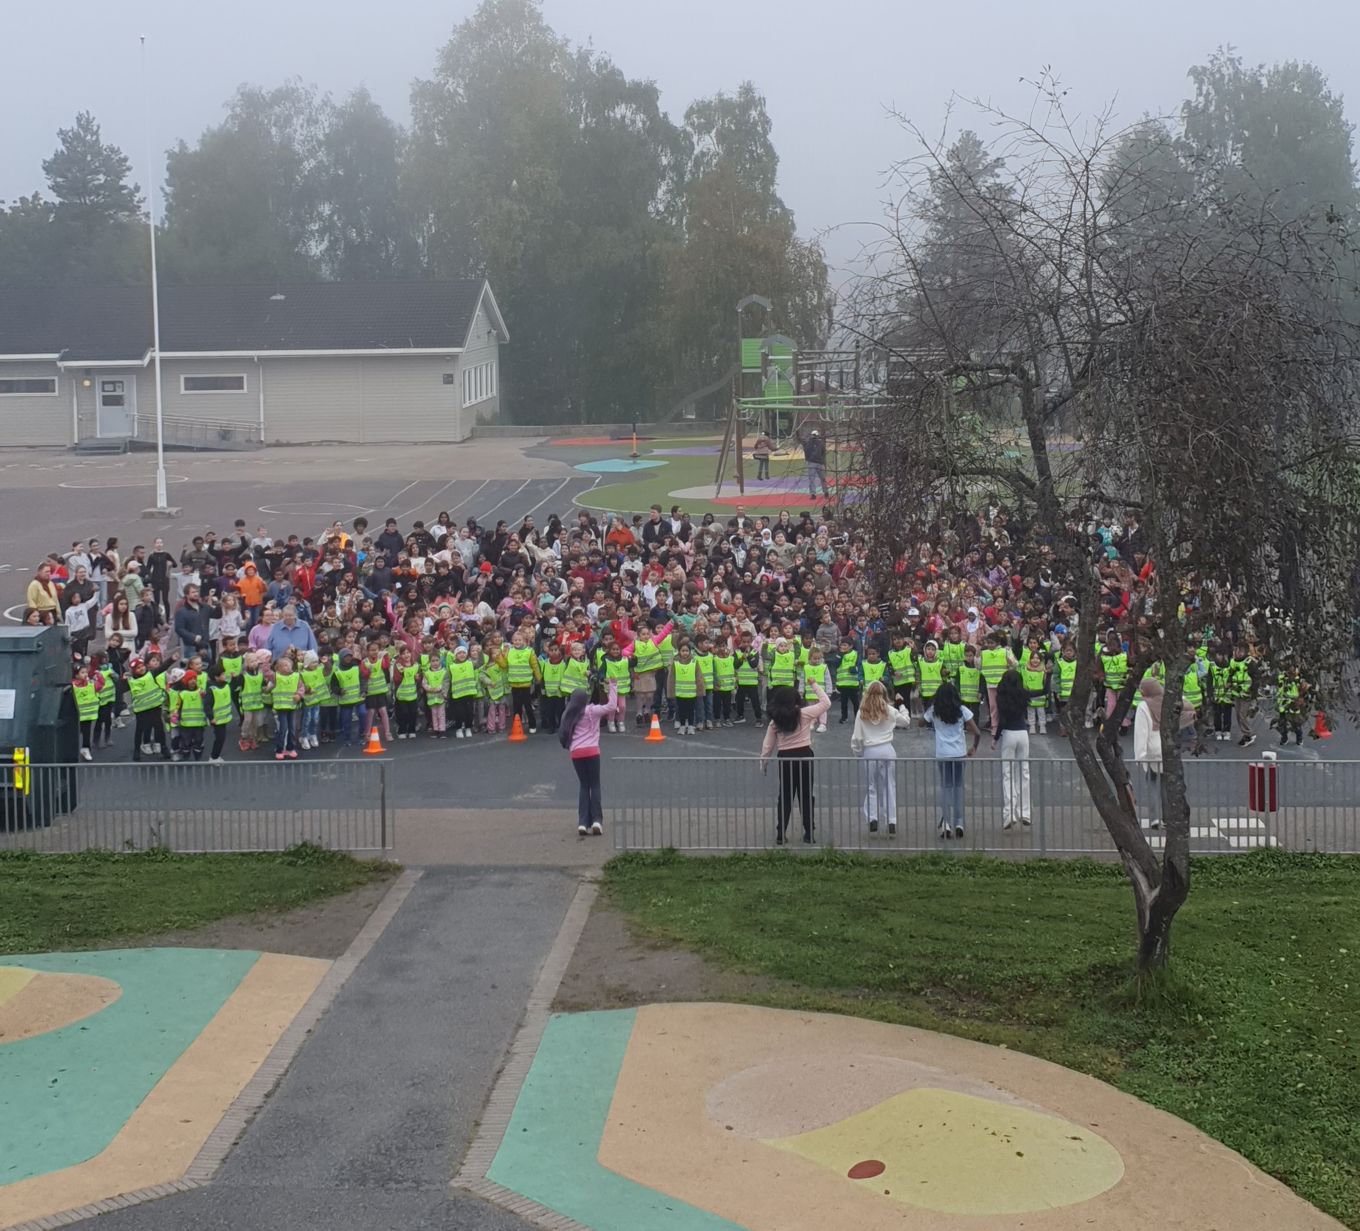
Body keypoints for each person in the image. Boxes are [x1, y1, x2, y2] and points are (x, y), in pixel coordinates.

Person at [759, 681, 830, 845]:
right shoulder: (804, 714)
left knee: (785, 796)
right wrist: (814, 685)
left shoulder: (775, 721)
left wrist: (763, 763)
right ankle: (809, 832)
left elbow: (768, 745)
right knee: (806, 796)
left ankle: (780, 833)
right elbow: (826, 702)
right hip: (804, 755)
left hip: (785, 758)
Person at [849, 680, 911, 835]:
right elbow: (906, 722)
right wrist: (902, 705)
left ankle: (873, 817)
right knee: (889, 786)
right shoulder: (889, 710)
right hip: (888, 749)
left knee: (871, 787)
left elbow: (857, 738)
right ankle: (891, 820)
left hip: (870, 750)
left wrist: (858, 753)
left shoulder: (862, 712)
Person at [1132, 676, 1194, 829]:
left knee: (1152, 782)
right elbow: (1189, 707)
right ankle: (1168, 818)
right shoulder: (1169, 701)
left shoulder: (1143, 706)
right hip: (1169, 747)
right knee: (1168, 784)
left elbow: (1141, 733)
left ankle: (1154, 819)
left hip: (1153, 749)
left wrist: (1140, 756)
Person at [560, 676, 618, 836]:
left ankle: (582, 822)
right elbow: (612, 705)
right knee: (595, 785)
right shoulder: (592, 711)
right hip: (592, 750)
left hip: (576, 752)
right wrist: (613, 686)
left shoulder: (568, 713)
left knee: (584, 785)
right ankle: (597, 820)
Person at [924, 682, 981, 840]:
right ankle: (959, 822)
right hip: (959, 753)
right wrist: (974, 747)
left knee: (945, 787)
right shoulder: (962, 710)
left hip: (942, 753)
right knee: (958, 787)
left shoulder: (935, 710)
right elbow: (977, 732)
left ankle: (945, 822)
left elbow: (921, 722)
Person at [992, 669, 1033, 830]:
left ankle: (1009, 814)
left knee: (1007, 774)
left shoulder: (1001, 698)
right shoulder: (1023, 695)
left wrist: (995, 738)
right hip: (1023, 734)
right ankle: (1025, 812)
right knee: (1024, 772)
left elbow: (1002, 721)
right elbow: (1043, 690)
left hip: (1009, 734)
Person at [800, 428, 830, 499]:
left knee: (812, 479)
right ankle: (826, 492)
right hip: (820, 463)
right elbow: (823, 453)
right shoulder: (821, 443)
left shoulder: (808, 443)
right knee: (823, 478)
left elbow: (806, 451)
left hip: (811, 463)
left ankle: (813, 494)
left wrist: (808, 459)